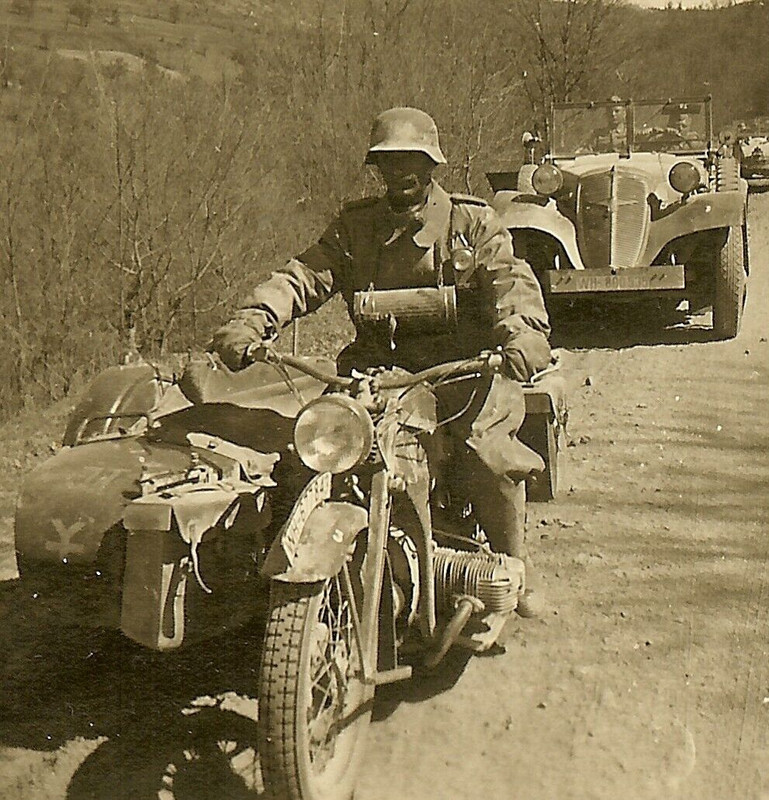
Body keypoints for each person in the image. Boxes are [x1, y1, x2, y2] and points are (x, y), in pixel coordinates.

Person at [209, 107, 552, 617]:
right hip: (375, 372)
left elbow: (511, 283)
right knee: (310, 446)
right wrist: (253, 320)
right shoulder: (356, 227)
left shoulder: (470, 222)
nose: (402, 172)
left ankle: (512, 567)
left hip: (465, 371)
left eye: (412, 159)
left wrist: (521, 335)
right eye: (389, 162)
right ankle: (284, 579)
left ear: (432, 162)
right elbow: (303, 276)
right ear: (377, 166)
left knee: (487, 454)